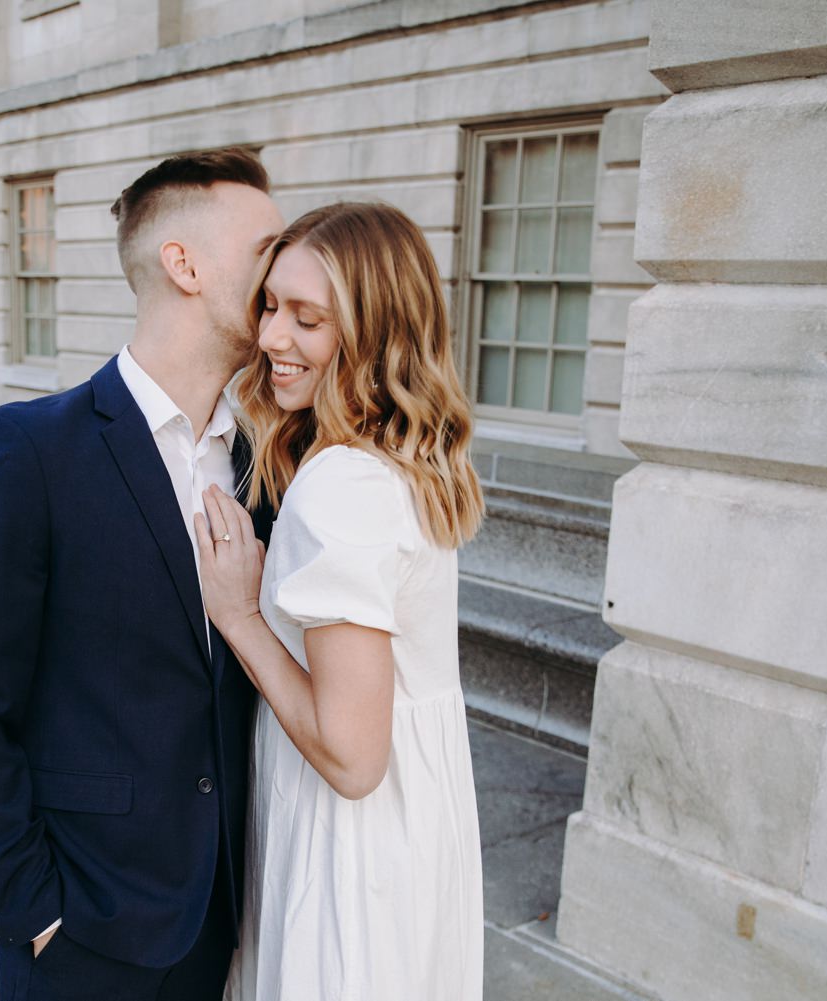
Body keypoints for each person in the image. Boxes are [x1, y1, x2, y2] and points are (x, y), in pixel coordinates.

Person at [0, 147, 284, 1001]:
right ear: (183, 263)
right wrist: (33, 909)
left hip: (219, 919)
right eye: (265, 245)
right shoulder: (30, 449)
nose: (286, 263)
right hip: (78, 931)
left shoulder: (264, 461)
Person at [195, 202, 487, 1001]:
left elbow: (354, 759)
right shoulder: (402, 462)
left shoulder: (343, 487)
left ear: (373, 336)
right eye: (270, 304)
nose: (270, 338)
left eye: (307, 318)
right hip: (410, 838)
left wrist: (240, 616)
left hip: (349, 852)